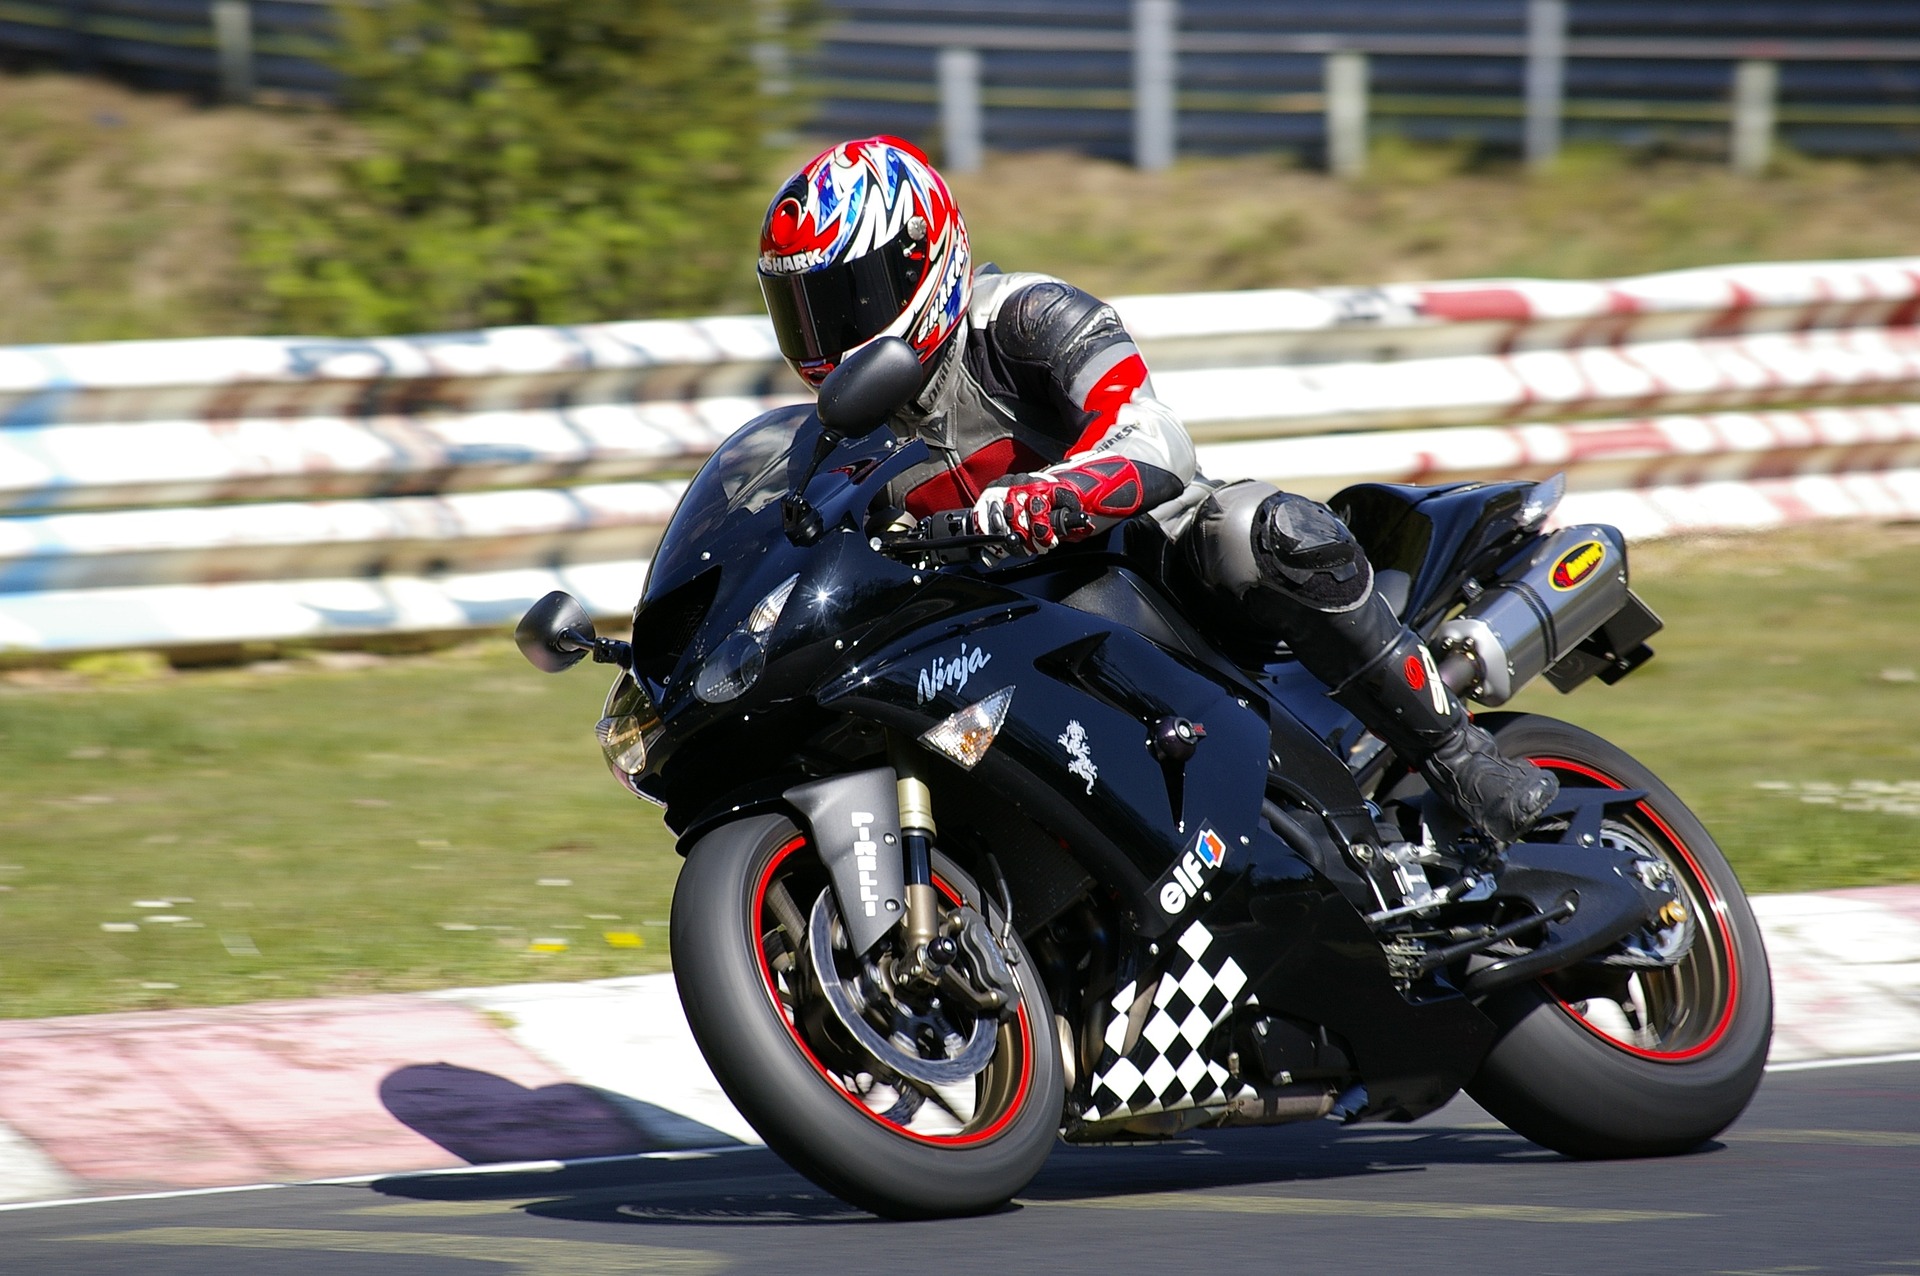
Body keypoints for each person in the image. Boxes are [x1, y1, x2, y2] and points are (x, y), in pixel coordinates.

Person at [755, 136, 1556, 843]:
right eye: (805, 315)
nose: (829, 339)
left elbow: (1153, 436)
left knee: (1259, 530)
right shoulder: (835, 439)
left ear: (923, 260)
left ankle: (1460, 757)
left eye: (847, 301)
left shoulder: (1025, 319)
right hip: (998, 630)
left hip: (1149, 563)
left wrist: (1056, 494)